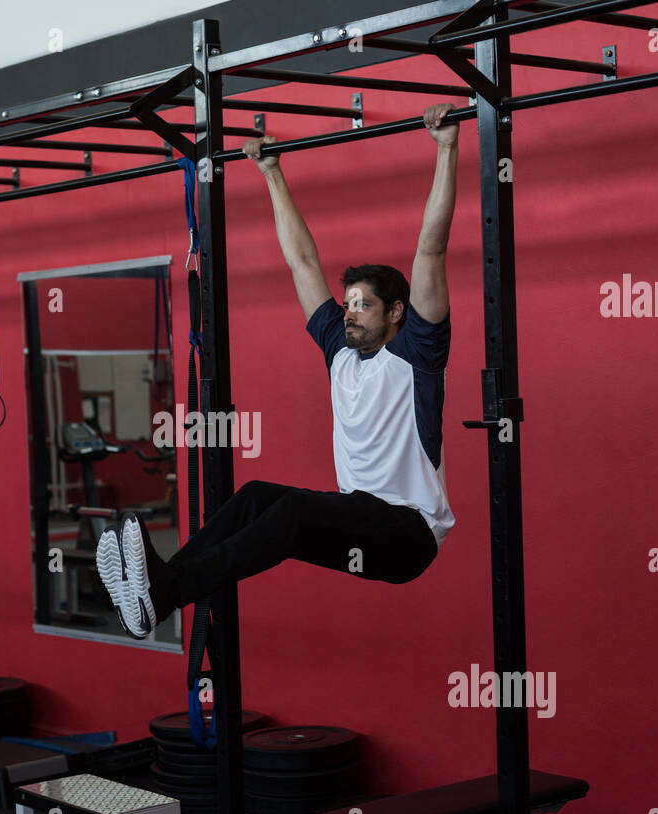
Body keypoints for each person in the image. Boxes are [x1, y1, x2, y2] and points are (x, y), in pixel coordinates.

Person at [97, 103, 460, 639]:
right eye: (348, 303)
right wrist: (272, 173)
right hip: (359, 518)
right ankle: (159, 592)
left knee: (289, 514)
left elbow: (431, 249)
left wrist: (447, 148)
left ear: (396, 313)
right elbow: (303, 263)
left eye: (363, 305)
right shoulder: (339, 351)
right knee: (254, 497)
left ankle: (164, 592)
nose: (349, 312)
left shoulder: (416, 356)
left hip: (407, 535)